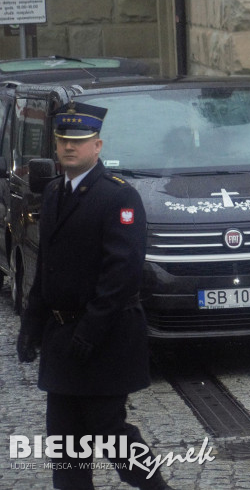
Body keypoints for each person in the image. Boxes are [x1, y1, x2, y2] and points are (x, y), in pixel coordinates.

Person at [16, 102, 170, 490]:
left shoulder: (118, 197)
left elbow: (122, 274)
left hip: (106, 337)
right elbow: (46, 267)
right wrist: (31, 326)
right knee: (65, 441)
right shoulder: (53, 192)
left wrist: (90, 332)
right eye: (63, 140)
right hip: (61, 335)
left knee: (109, 433)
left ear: (97, 145)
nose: (69, 147)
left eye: (79, 142)